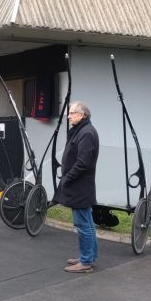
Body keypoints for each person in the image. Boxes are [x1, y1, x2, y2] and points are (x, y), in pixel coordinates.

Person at [53, 101, 99, 273]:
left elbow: (83, 162)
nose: (69, 116)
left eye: (72, 113)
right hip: (81, 187)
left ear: (82, 115)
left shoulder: (86, 133)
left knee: (83, 225)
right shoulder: (83, 130)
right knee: (87, 223)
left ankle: (86, 262)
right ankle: (89, 257)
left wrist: (67, 179)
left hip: (79, 187)